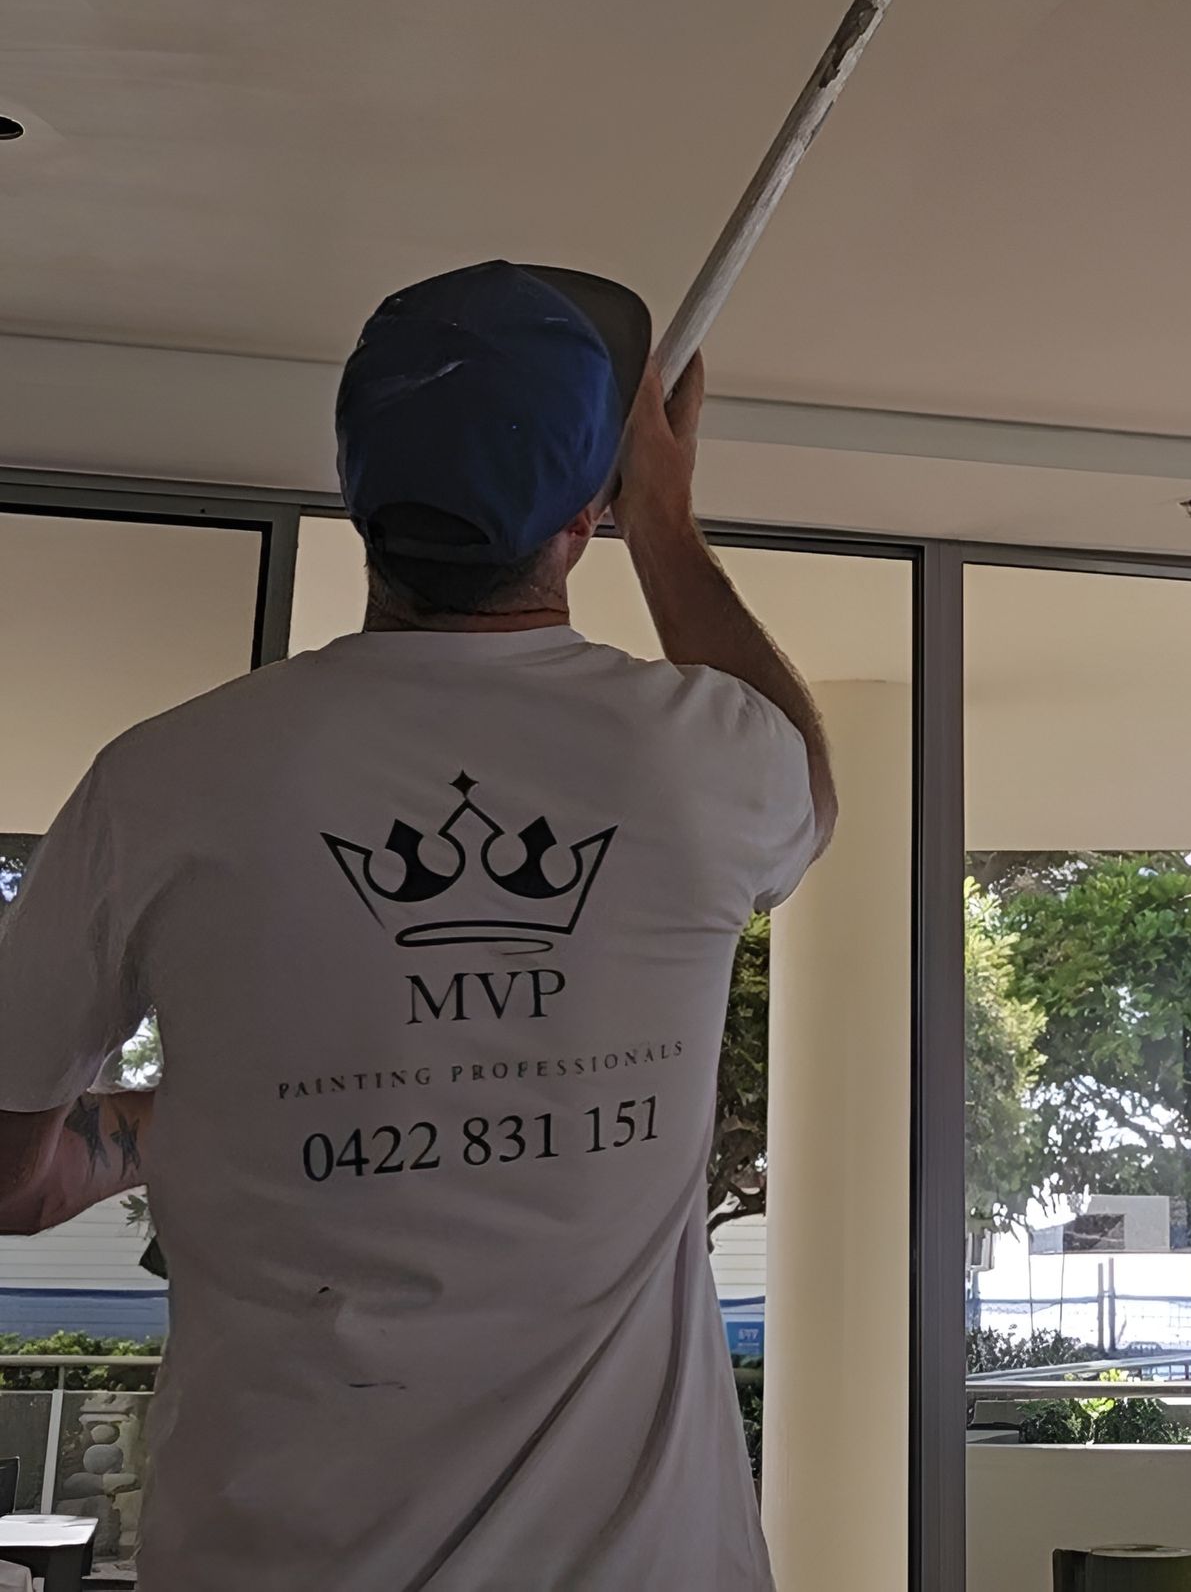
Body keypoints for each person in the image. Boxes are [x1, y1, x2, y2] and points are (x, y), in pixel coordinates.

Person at [0, 261, 834, 1591]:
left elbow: (12, 1176)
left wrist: (191, 1118)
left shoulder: (160, 784)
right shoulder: (698, 767)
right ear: (586, 515)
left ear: (357, 495)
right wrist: (669, 526)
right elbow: (807, 776)